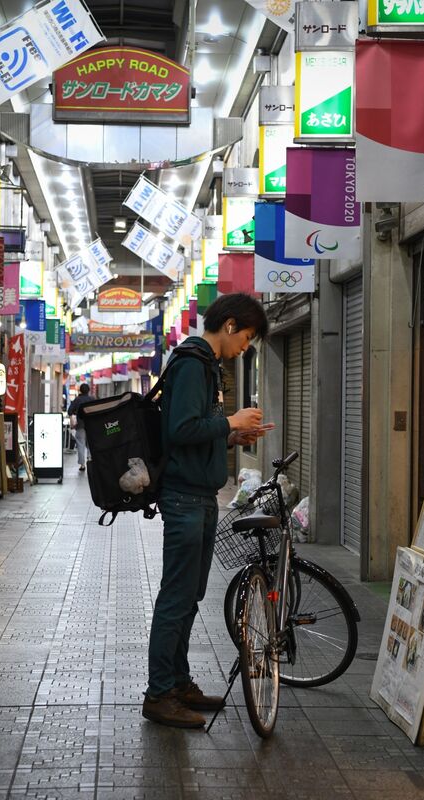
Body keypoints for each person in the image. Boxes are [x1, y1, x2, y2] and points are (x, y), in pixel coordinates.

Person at [143, 293, 270, 729]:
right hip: (184, 498)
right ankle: (159, 693)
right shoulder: (195, 362)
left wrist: (231, 436)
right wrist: (230, 422)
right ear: (230, 325)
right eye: (248, 337)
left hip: (198, 496)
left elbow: (196, 429)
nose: (246, 347)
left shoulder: (207, 366)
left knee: (190, 596)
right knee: (177, 597)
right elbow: (180, 429)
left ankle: (178, 683)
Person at [67, 383, 97, 471]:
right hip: (91, 425)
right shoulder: (92, 399)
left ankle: (82, 465)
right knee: (90, 444)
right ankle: (90, 460)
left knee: (80, 444)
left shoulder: (77, 400)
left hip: (80, 425)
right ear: (89, 390)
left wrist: (76, 412)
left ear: (80, 390)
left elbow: (69, 411)